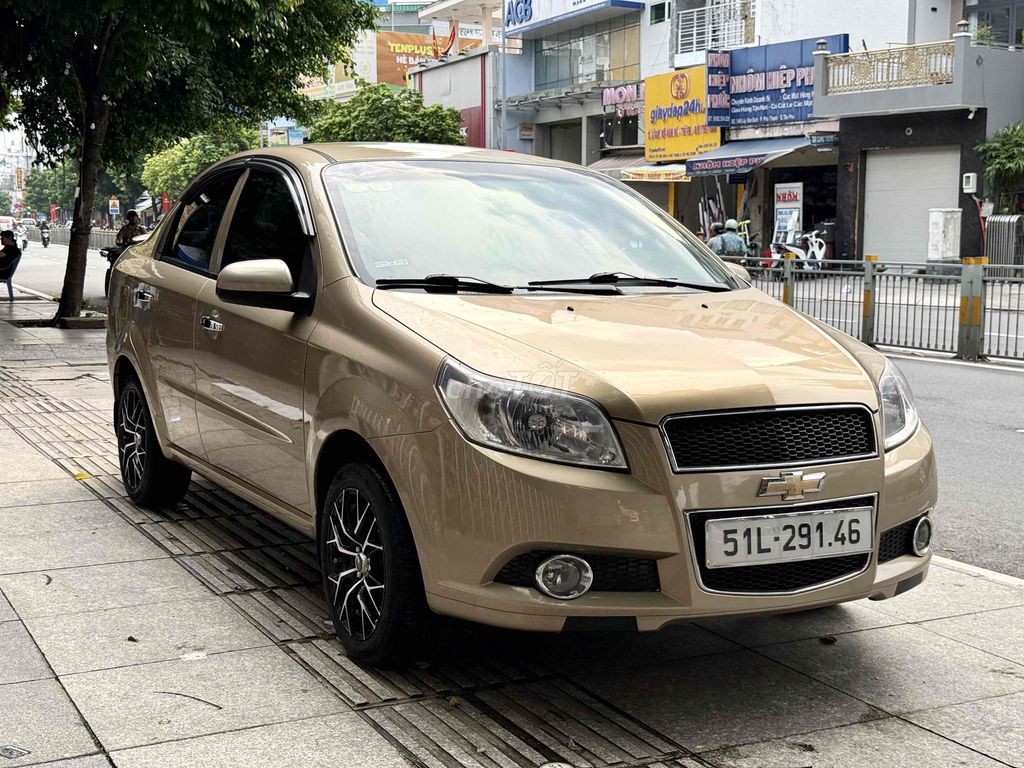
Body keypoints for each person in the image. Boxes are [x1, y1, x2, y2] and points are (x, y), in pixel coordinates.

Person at [1, 230, 22, 301]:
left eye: (3, 238)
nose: (1, 239)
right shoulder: (10, 248)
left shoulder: (11, 249)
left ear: (9, 238)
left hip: (3, 272)